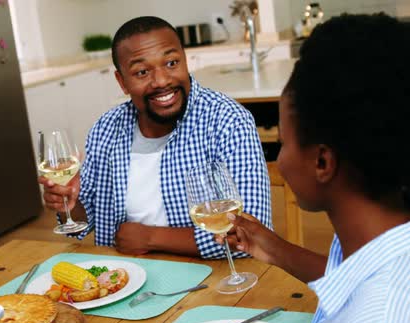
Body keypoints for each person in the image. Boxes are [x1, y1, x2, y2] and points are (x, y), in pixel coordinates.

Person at [217, 14, 410, 323]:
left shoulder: (376, 322)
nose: (279, 160)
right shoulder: (376, 231)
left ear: (322, 162)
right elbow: (352, 278)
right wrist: (272, 246)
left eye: (283, 143)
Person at [40, 16, 271, 258]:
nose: (161, 81)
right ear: (122, 82)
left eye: (172, 63)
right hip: (125, 279)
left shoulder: (228, 121)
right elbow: (84, 222)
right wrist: (69, 201)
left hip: (212, 277)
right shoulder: (106, 128)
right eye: (142, 72)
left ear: (186, 61)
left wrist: (151, 238)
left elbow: (250, 234)